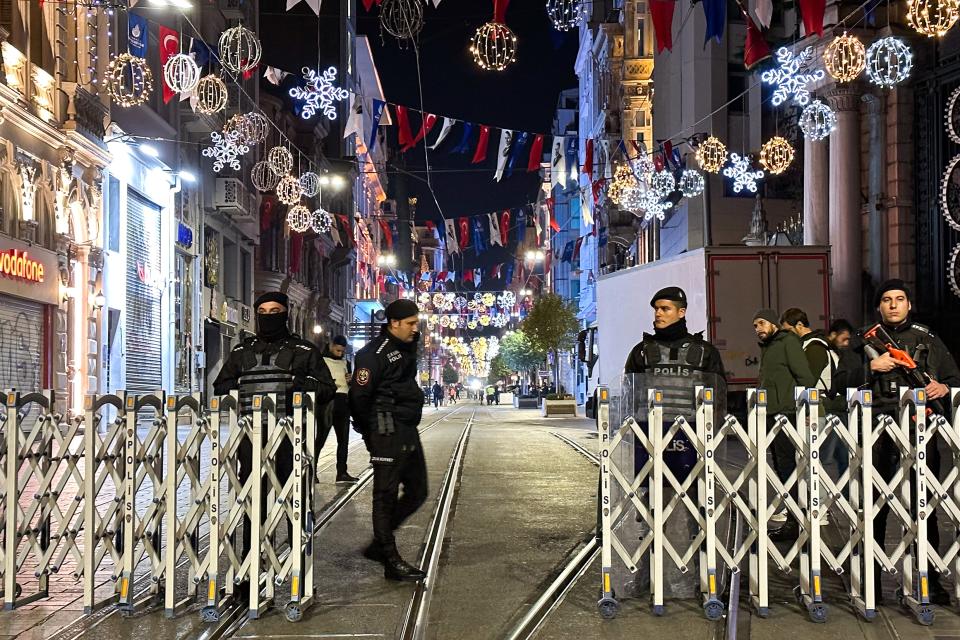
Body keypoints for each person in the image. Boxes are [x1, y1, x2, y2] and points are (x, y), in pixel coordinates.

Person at [213, 291, 337, 592]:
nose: (269, 316)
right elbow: (221, 386)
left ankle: (298, 570)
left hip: (290, 440)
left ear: (285, 313)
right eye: (264, 311)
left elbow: (326, 388)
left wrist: (301, 385)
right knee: (252, 504)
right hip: (251, 439)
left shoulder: (304, 350)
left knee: (295, 502)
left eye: (276, 310)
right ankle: (249, 568)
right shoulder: (243, 350)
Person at [861, 279, 960, 604]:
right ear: (879, 306)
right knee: (875, 509)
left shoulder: (926, 337)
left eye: (899, 298)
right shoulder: (866, 338)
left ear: (908, 304)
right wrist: (869, 367)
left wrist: (943, 389)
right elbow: (838, 380)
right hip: (877, 429)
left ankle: (930, 583)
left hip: (920, 430)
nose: (893, 304)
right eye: (887, 299)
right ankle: (870, 585)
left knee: (924, 508)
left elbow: (952, 378)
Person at [349, 299, 428, 582]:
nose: (414, 328)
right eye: (410, 323)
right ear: (393, 323)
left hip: (407, 428)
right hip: (386, 428)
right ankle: (388, 555)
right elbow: (359, 397)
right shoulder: (373, 354)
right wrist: (369, 433)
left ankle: (378, 546)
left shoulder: (406, 348)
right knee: (385, 496)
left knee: (419, 490)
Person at [624, 287, 726, 479]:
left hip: (692, 433)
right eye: (656, 309)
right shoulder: (641, 352)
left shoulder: (705, 351)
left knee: (694, 491)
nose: (658, 313)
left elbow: (718, 395)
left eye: (665, 309)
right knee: (650, 493)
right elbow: (629, 394)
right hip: (649, 434)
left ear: (681, 312)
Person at [752, 308, 817, 541]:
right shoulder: (769, 347)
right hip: (771, 413)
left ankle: (801, 518)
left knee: (789, 467)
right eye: (755, 326)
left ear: (772, 323)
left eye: (761, 323)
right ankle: (794, 518)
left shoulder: (788, 342)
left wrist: (808, 408)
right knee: (781, 468)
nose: (758, 329)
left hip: (786, 413)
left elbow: (805, 377)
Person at [320, 335, 358, 484]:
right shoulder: (321, 361)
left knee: (343, 440)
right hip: (328, 402)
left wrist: (350, 381)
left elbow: (350, 384)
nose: (340, 353)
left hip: (343, 402)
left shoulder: (346, 362)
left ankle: (341, 472)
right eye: (337, 350)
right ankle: (311, 471)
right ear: (331, 346)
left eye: (342, 351)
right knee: (320, 439)